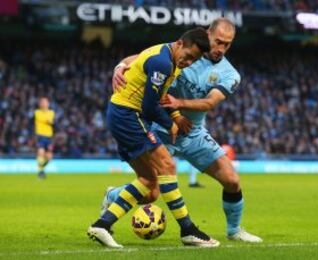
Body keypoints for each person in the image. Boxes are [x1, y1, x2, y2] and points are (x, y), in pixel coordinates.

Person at [111, 18, 262, 243]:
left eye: (227, 44)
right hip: (158, 128)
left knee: (232, 180)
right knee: (151, 192)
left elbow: (210, 102)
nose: (221, 48)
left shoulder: (230, 74)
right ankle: (112, 196)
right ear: (207, 34)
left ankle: (234, 230)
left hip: (191, 132)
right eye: (218, 41)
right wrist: (119, 67)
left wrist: (178, 103)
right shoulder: (181, 50)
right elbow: (134, 60)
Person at [87, 27, 219, 249]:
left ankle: (102, 224)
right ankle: (188, 230)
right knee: (167, 165)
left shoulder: (170, 59)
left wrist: (176, 115)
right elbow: (149, 106)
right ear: (179, 44)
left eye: (194, 60)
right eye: (188, 56)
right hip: (128, 115)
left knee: (149, 184)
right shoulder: (162, 63)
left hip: (122, 114)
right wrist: (171, 124)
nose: (188, 62)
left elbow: (160, 96)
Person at [34, 97, 55, 179]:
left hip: (49, 136)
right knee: (41, 152)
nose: (43, 104)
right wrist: (48, 121)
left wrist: (49, 121)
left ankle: (41, 168)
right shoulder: (37, 112)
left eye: (45, 102)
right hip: (40, 135)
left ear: (48, 104)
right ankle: (40, 172)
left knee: (49, 157)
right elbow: (46, 120)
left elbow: (51, 121)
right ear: (40, 104)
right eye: (42, 102)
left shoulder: (51, 112)